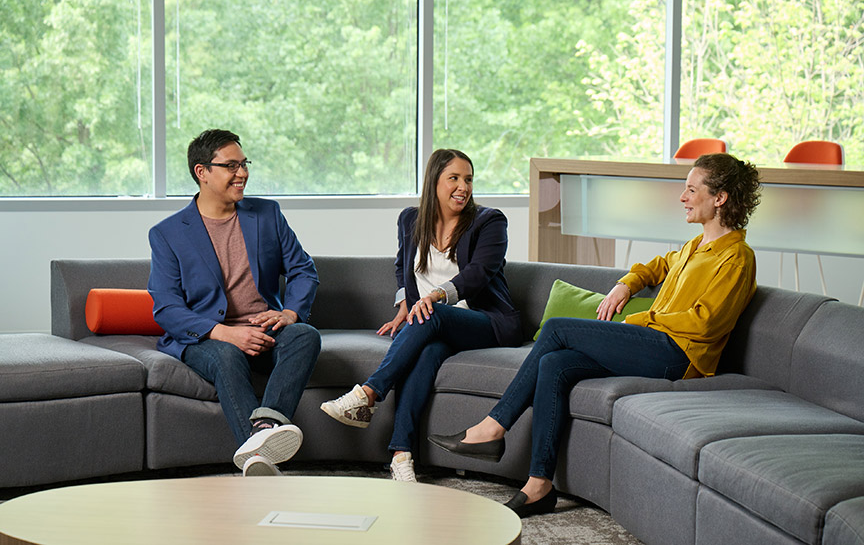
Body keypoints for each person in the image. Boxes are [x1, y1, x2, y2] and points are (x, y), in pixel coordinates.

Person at [429, 153, 762, 517]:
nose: (682, 197)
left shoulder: (737, 258)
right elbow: (658, 267)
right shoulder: (694, 247)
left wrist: (643, 319)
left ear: (720, 198)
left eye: (691, 189)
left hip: (679, 356)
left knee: (557, 328)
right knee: (556, 363)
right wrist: (626, 284)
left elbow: (707, 323)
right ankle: (539, 484)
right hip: (658, 343)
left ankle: (492, 428)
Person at [319, 149, 523, 482]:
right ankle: (402, 456)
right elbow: (403, 266)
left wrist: (436, 295)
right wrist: (404, 302)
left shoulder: (489, 221)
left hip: (483, 321)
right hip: (433, 324)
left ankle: (368, 394)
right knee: (426, 353)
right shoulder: (410, 220)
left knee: (432, 315)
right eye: (453, 178)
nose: (463, 187)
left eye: (468, 179)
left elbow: (480, 273)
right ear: (434, 181)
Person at [148, 129, 321, 477]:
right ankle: (262, 459)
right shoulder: (168, 233)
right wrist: (225, 333)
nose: (242, 173)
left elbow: (304, 270)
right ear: (202, 172)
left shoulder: (267, 215)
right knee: (227, 356)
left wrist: (289, 313)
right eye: (231, 166)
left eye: (244, 164)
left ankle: (263, 432)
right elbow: (166, 307)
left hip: (264, 328)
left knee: (305, 335)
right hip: (209, 338)